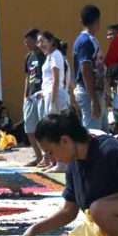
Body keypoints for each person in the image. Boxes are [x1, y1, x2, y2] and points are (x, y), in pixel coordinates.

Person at [38, 31, 70, 169]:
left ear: (51, 41)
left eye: (43, 41)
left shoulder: (56, 55)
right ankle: (55, 162)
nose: (40, 45)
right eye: (38, 42)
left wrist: (52, 101)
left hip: (55, 95)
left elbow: (57, 80)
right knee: (50, 130)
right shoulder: (49, 57)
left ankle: (62, 163)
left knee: (57, 129)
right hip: (49, 94)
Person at [73, 4, 107, 131]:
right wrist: (94, 99)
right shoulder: (85, 41)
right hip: (89, 94)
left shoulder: (90, 40)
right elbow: (85, 71)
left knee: (103, 134)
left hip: (96, 92)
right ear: (97, 20)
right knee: (94, 134)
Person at [21, 28, 47, 167]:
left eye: (29, 41)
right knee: (30, 128)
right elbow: (28, 76)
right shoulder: (28, 57)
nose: (27, 44)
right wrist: (25, 94)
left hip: (42, 94)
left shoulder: (45, 55)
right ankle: (38, 156)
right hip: (30, 96)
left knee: (43, 127)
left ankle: (47, 157)